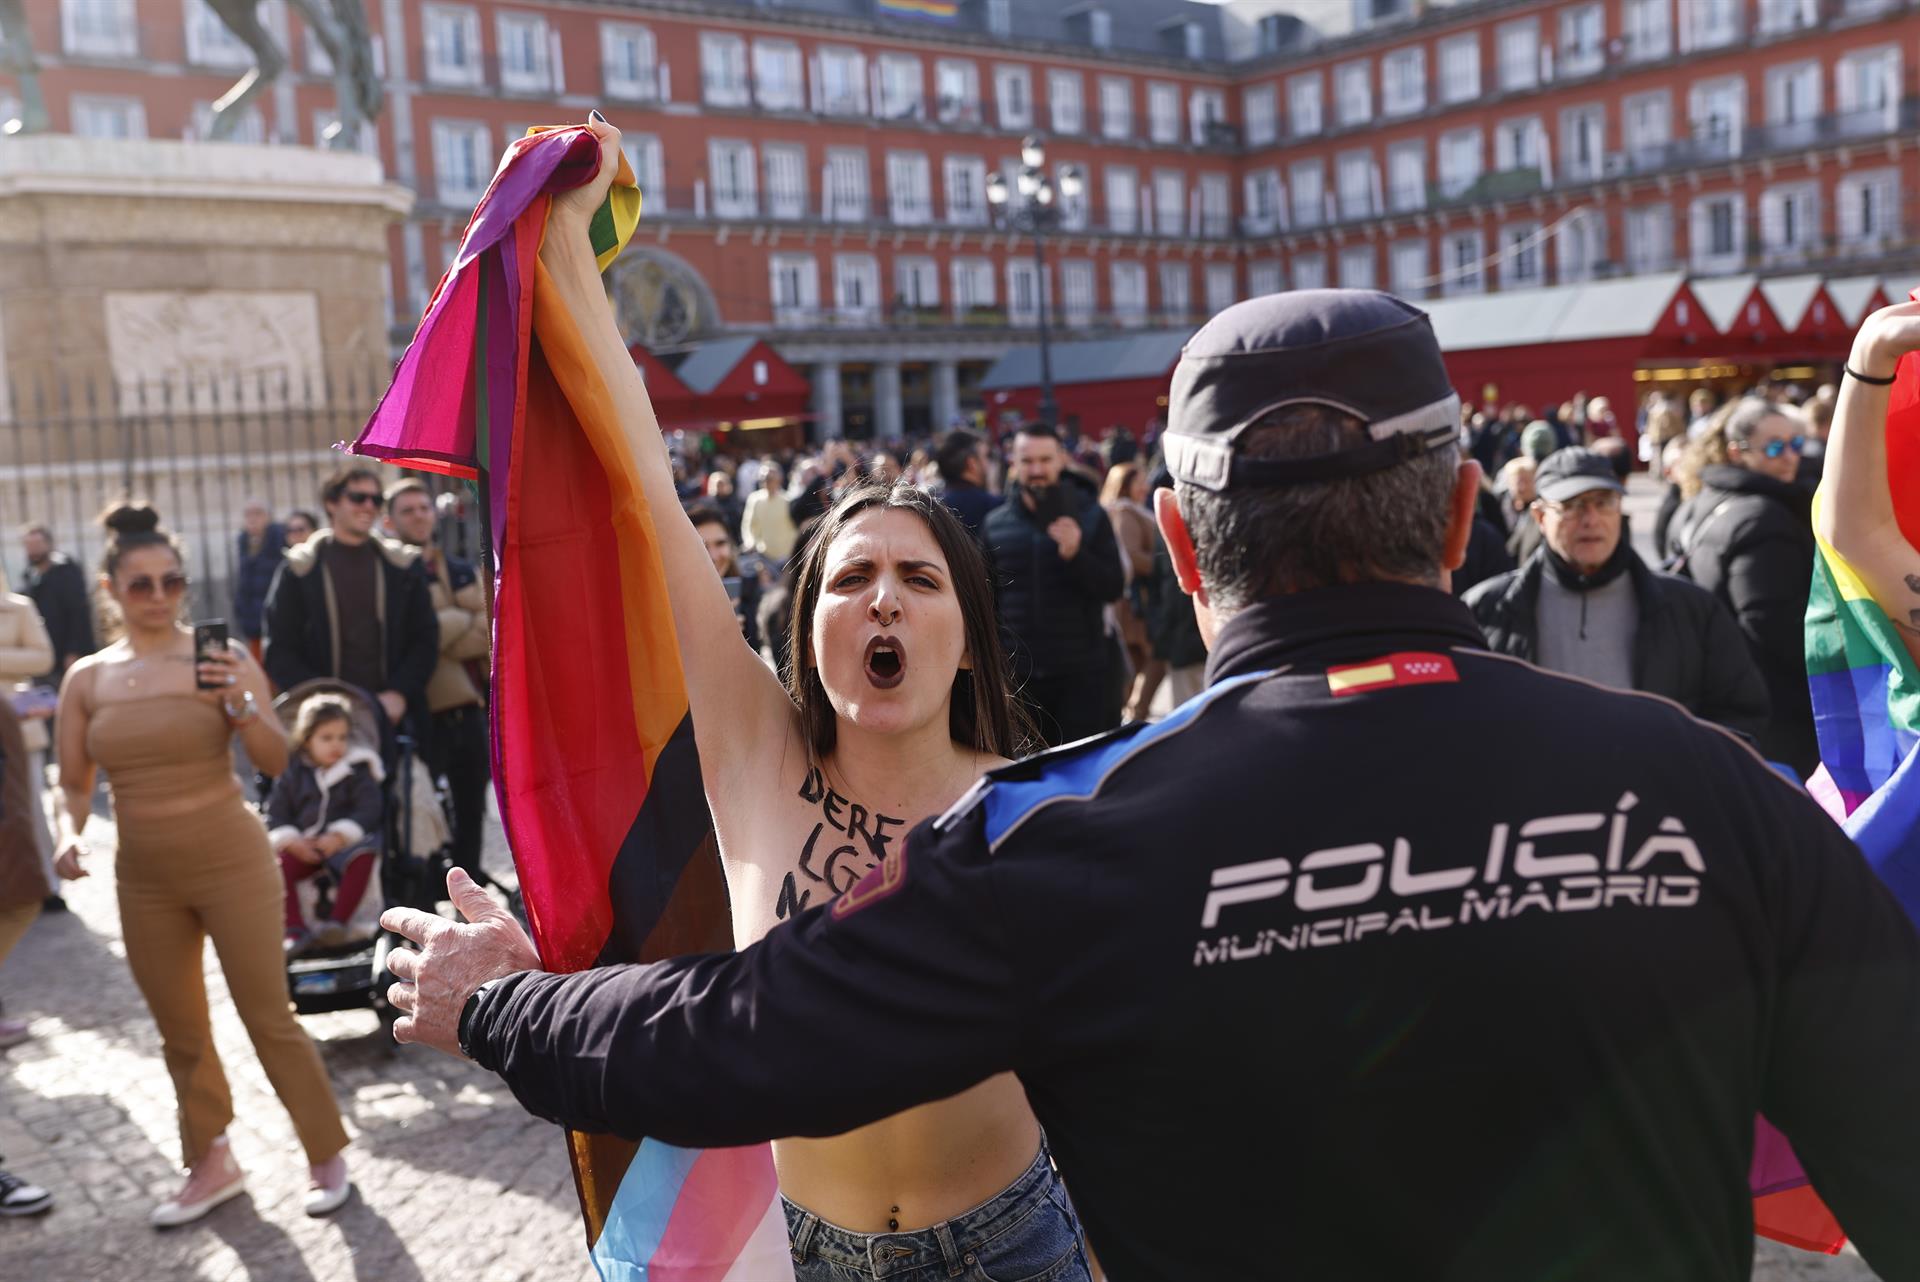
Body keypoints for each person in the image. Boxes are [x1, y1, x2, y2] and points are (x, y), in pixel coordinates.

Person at [386, 288, 1920, 1280]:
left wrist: (500, 998)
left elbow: (736, 1039)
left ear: (1181, 553)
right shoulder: (1707, 798)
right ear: (1463, 517)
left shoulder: (1065, 848)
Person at [406, 117, 1090, 1282]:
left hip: (1017, 1246)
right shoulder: (756, 752)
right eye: (851, 578)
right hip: (806, 1250)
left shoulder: (1039, 806)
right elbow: (643, 485)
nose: (882, 600)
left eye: (919, 579)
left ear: (968, 639)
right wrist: (566, 243)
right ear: (805, 624)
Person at [53, 503, 351, 1225]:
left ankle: (325, 1152)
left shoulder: (220, 656)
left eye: (172, 581)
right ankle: (212, 1164)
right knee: (180, 1030)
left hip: (232, 859)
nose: (159, 596)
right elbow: (72, 781)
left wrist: (244, 705)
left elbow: (278, 761)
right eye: (141, 584)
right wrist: (69, 833)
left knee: (266, 1015)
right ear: (111, 590)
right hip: (144, 879)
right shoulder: (87, 680)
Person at [1464, 448, 1768, 740]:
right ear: (1540, 517)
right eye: (1572, 505)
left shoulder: (1691, 609)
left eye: (1603, 502)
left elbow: (1742, 714)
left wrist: (1681, 772)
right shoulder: (1487, 611)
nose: (1591, 519)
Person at [1666, 398, 1818, 775]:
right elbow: (1771, 626)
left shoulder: (1696, 502)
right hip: (1773, 710)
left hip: (1713, 696)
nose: (1789, 456)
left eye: (1795, 443)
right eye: (1773, 446)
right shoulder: (1766, 519)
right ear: (1736, 453)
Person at [262, 467, 438, 746]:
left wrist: (399, 693)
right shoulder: (299, 569)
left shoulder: (402, 565)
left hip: (391, 719)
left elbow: (426, 638)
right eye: (358, 497)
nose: (369, 506)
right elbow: (279, 649)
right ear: (331, 503)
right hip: (324, 725)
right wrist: (322, 699)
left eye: (376, 499)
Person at [982, 424, 1125, 745]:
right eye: (1027, 461)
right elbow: (988, 601)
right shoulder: (996, 523)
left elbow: (1113, 588)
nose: (1036, 470)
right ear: (1013, 463)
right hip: (1019, 679)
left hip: (1082, 675)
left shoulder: (1090, 516)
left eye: (1045, 460)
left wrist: (1076, 554)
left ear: (1061, 460)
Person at [383, 480, 490, 881]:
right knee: (419, 815)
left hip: (467, 709)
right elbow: (407, 640)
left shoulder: (461, 569)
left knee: (471, 813)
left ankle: (472, 898)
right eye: (408, 510)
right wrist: (457, 621)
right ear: (390, 520)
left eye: (424, 507)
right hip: (419, 714)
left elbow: (488, 633)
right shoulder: (390, 575)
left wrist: (438, 627)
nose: (419, 516)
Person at [269, 694, 383, 954]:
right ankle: (294, 927)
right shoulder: (291, 773)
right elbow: (277, 813)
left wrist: (341, 836)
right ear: (307, 739)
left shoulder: (357, 769)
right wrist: (292, 841)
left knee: (364, 857)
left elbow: (369, 809)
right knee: (278, 867)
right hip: (305, 845)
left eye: (342, 737)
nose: (337, 745)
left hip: (344, 846)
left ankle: (338, 922)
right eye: (327, 738)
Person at [0, 574, 55, 909]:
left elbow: (42, 658)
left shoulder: (19, 608)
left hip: (16, 725)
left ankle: (47, 884)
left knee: (29, 805)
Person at [1102, 462, 1163, 723]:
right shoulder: (1125, 513)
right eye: (1140, 482)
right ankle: (1133, 714)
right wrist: (1165, 562)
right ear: (1126, 485)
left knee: (1137, 661)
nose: (1145, 487)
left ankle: (1124, 715)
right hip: (1134, 603)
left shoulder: (1133, 511)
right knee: (1156, 656)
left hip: (1136, 601)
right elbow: (1132, 555)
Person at [20, 524, 94, 686]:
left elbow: (78, 613)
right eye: (29, 546)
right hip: (42, 655)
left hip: (64, 654)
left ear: (49, 545)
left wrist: (74, 650)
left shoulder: (66, 572)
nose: (33, 551)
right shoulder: (29, 577)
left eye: (37, 545)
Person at [687, 503, 763, 656]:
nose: (713, 556)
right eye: (701, 546)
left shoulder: (749, 593)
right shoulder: (670, 604)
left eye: (720, 543)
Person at [231, 499, 284, 660]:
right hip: (252, 620)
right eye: (248, 514)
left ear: (268, 517)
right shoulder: (244, 543)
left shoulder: (279, 541)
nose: (252, 519)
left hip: (276, 622)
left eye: (258, 513)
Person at [932, 429, 1001, 537]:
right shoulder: (993, 506)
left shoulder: (932, 505)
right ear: (972, 463)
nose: (989, 464)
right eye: (986, 456)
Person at [740, 463, 798, 565]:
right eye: (763, 478)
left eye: (770, 478)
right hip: (764, 559)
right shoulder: (754, 499)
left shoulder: (789, 500)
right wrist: (750, 542)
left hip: (788, 558)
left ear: (779, 479)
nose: (766, 481)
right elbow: (748, 525)